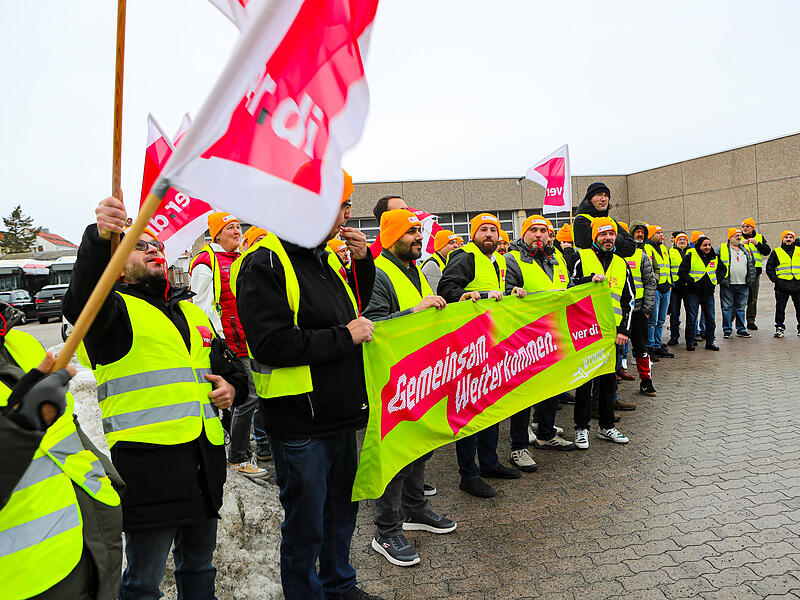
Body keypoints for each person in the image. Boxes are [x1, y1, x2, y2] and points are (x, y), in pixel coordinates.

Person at [63, 198, 246, 600]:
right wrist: (100, 240)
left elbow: (230, 369)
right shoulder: (111, 314)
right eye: (141, 245)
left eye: (157, 246)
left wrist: (233, 388)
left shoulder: (190, 311)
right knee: (143, 582)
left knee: (200, 566)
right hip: (150, 469)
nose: (154, 251)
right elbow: (82, 300)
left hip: (203, 463)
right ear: (119, 260)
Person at [235, 173, 384, 600]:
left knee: (341, 512)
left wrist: (363, 264)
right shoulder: (264, 262)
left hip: (337, 414)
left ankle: (340, 585)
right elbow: (271, 343)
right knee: (306, 524)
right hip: (300, 421)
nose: (347, 216)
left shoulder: (324, 257)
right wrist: (345, 337)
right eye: (341, 206)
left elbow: (350, 310)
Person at [0, 300, 124, 600]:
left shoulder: (20, 342)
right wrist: (20, 424)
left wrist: (108, 483)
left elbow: (67, 430)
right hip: (24, 582)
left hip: (86, 549)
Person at [363, 209, 456, 568]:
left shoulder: (415, 269)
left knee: (420, 446)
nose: (418, 238)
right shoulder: (379, 274)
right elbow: (372, 326)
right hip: (392, 382)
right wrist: (416, 311)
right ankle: (386, 530)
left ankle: (415, 509)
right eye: (410, 233)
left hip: (421, 375)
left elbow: (428, 313)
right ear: (390, 237)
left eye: (419, 232)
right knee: (396, 456)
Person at [439, 213, 523, 498]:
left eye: (493, 230)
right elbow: (447, 290)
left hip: (493, 344)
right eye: (483, 230)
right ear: (473, 234)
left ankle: (489, 463)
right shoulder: (465, 257)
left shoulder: (498, 260)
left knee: (490, 407)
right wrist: (468, 296)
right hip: (469, 347)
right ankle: (469, 474)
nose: (489, 234)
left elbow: (494, 294)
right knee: (469, 411)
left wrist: (511, 293)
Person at [190, 212, 268, 479]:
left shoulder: (239, 259)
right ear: (217, 234)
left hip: (251, 340)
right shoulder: (206, 262)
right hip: (229, 343)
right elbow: (200, 308)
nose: (237, 231)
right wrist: (218, 342)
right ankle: (238, 457)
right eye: (230, 227)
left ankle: (241, 450)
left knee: (249, 398)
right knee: (248, 398)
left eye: (238, 226)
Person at [504, 215, 577, 466]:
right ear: (523, 235)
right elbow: (503, 295)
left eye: (543, 231)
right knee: (523, 394)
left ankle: (546, 434)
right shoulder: (511, 259)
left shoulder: (556, 260)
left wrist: (589, 284)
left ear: (549, 235)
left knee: (552, 387)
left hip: (554, 335)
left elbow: (567, 289)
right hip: (525, 339)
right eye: (532, 230)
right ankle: (519, 447)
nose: (538, 235)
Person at [571, 217, 634, 448]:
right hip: (585, 331)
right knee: (585, 381)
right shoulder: (580, 257)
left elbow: (628, 299)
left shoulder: (621, 262)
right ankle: (581, 429)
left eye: (611, 235)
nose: (608, 238)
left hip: (611, 334)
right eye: (603, 235)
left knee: (608, 382)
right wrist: (589, 280)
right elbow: (568, 285)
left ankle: (607, 427)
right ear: (595, 237)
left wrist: (624, 330)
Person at [678, 234, 726, 351]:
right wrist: (691, 282)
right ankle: (690, 342)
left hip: (708, 293)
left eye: (709, 245)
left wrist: (716, 280)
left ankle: (710, 342)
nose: (708, 247)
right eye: (705, 245)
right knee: (692, 318)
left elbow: (723, 269)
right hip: (692, 293)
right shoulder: (690, 256)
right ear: (699, 246)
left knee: (710, 319)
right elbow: (682, 272)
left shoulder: (714, 257)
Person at [626, 221, 658, 397]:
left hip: (638, 311)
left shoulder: (642, 255)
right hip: (619, 312)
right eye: (636, 232)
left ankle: (646, 381)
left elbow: (650, 283)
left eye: (641, 232)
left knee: (641, 347)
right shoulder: (615, 256)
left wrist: (647, 309)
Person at [572, 182, 636, 257]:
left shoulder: (611, 220)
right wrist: (620, 238)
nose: (603, 199)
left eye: (606, 196)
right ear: (590, 199)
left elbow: (631, 247)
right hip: (588, 266)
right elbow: (590, 246)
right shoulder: (581, 220)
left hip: (612, 267)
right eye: (599, 195)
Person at [717, 228, 755, 339]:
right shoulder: (722, 248)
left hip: (743, 284)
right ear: (730, 237)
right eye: (736, 235)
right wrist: (719, 278)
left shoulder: (745, 249)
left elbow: (751, 263)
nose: (739, 237)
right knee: (727, 308)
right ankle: (727, 330)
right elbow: (713, 262)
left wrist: (750, 278)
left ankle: (741, 329)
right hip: (728, 284)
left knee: (741, 308)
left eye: (739, 235)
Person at [644, 225, 675, 358]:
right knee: (653, 321)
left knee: (661, 320)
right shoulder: (647, 248)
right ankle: (650, 346)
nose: (661, 234)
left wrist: (670, 284)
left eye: (662, 232)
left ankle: (657, 344)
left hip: (666, 287)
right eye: (658, 232)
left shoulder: (663, 247)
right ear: (651, 235)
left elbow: (667, 266)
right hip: (656, 288)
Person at [765, 229, 800, 338]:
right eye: (786, 237)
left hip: (797, 285)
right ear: (782, 239)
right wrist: (776, 280)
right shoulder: (777, 252)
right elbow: (769, 267)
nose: (788, 239)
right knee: (780, 308)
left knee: (799, 308)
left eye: (790, 237)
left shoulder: (799, 250)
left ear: (793, 239)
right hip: (782, 286)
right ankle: (779, 328)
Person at [741, 217, 771, 330]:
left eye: (747, 226)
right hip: (741, 273)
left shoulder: (759, 237)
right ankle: (733, 322)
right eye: (743, 226)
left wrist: (757, 243)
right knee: (739, 298)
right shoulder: (737, 237)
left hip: (755, 273)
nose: (744, 228)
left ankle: (751, 321)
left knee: (753, 298)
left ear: (752, 227)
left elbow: (767, 251)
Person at [420, 229, 462, 294]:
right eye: (451, 242)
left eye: (456, 242)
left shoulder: (446, 262)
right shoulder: (432, 265)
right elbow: (434, 295)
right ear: (441, 246)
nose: (456, 245)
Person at [667, 232, 690, 345]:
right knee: (674, 313)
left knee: (691, 313)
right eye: (679, 239)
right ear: (675, 241)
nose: (682, 241)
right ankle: (674, 337)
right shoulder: (669, 252)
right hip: (675, 288)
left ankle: (691, 337)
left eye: (684, 239)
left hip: (689, 288)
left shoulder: (692, 252)